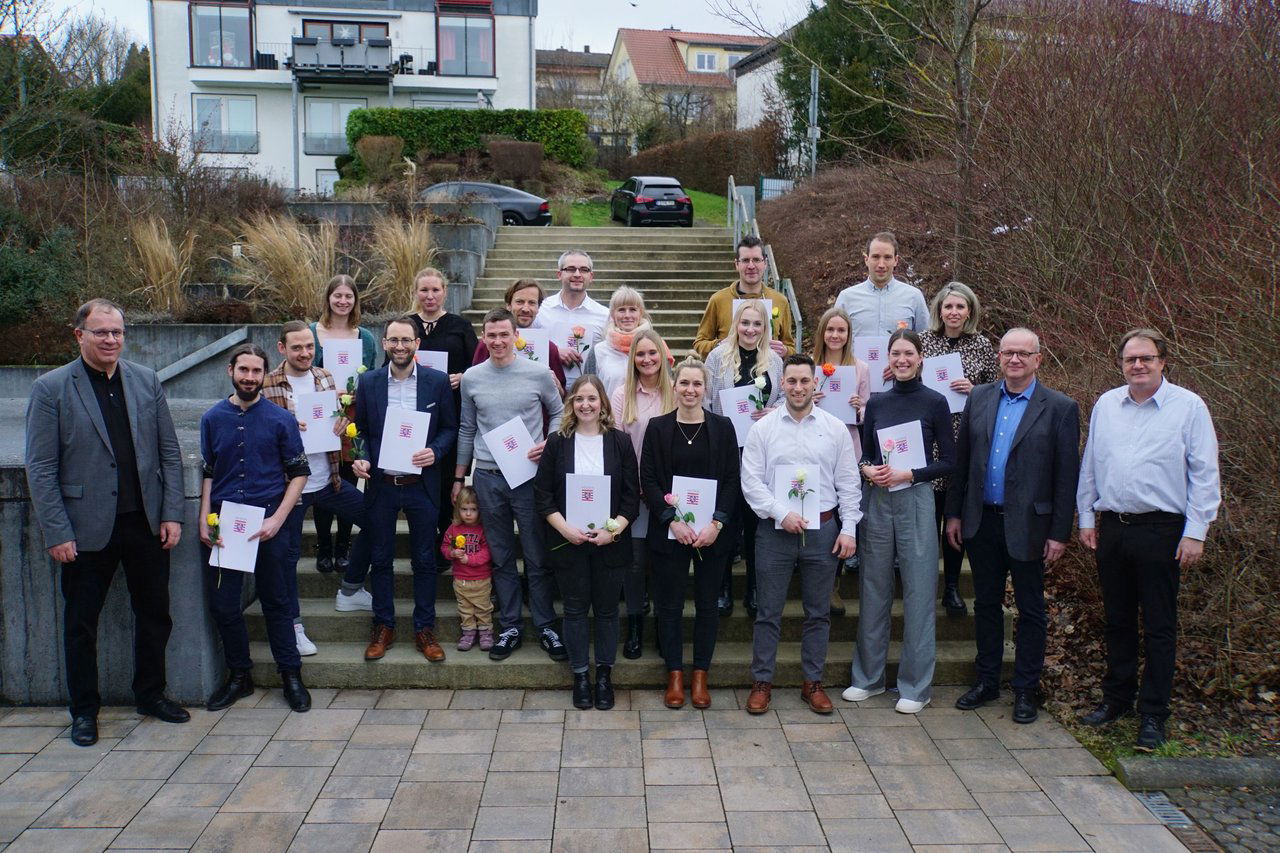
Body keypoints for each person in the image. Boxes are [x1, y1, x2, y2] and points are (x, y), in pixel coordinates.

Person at [25, 299, 189, 747]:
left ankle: (150, 694)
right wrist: (57, 531)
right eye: (101, 332)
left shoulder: (146, 380)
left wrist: (172, 513)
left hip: (144, 524)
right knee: (81, 625)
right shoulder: (51, 388)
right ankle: (84, 711)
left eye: (117, 332)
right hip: (85, 529)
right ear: (79, 335)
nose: (111, 340)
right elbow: (40, 467)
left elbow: (169, 453)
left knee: (155, 615)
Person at [1076, 328, 1220, 751]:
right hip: (1114, 527)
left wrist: (1197, 531)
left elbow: (1205, 473)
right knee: (1117, 620)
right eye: (1130, 359)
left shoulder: (1189, 407)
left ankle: (1153, 714)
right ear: (1121, 364)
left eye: (1146, 358)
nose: (1137, 365)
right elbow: (1091, 464)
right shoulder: (1107, 404)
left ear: (1163, 362)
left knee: (1159, 625)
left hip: (1163, 529)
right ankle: (1116, 699)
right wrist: (1086, 516)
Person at [945, 328, 1079, 724]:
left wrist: (1059, 532)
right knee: (985, 603)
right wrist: (954, 513)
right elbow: (963, 461)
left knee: (1031, 609)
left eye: (1023, 353)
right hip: (981, 520)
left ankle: (1025, 689)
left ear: (1039, 358)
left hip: (1030, 527)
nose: (1015, 359)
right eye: (1008, 352)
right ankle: (987, 680)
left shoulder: (1059, 407)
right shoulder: (980, 397)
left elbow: (1066, 476)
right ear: (999, 357)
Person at [740, 354, 861, 715]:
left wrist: (849, 527)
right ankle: (762, 681)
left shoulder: (834, 427)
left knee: (818, 612)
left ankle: (813, 682)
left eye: (804, 381)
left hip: (823, 529)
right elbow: (751, 482)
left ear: (814, 384)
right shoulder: (763, 428)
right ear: (782, 384)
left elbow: (848, 483)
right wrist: (782, 512)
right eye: (791, 381)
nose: (797, 387)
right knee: (768, 612)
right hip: (775, 531)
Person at [844, 329, 954, 714]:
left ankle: (915, 685)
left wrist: (913, 474)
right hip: (879, 498)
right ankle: (869, 678)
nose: (902, 359)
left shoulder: (935, 402)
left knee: (920, 590)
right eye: (895, 353)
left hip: (917, 498)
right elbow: (868, 455)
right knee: (873, 586)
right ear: (887, 359)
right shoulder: (876, 403)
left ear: (921, 357)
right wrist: (868, 470)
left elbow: (950, 461)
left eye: (909, 353)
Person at [199, 343, 312, 713]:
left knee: (278, 602)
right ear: (230, 371)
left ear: (265, 375)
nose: (250, 377)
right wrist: (204, 516)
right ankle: (239, 675)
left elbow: (299, 473)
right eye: (243, 370)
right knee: (224, 604)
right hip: (227, 523)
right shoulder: (212, 418)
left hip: (270, 520)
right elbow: (209, 471)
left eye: (256, 371)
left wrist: (277, 519)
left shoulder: (281, 420)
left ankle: (291, 675)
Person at [456, 308, 567, 662]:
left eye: (505, 334)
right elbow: (466, 428)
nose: (499, 341)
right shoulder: (473, 378)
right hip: (487, 476)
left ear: (515, 336)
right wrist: (459, 477)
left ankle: (546, 624)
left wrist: (549, 441)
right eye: (492, 335)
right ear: (483, 337)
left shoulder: (538, 374)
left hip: (529, 477)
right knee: (502, 557)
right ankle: (510, 626)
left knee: (536, 555)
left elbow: (562, 413)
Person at [263, 320, 373, 658]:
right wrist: (284, 425)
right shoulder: (267, 385)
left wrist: (341, 426)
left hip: (329, 480)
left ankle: (351, 588)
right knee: (288, 558)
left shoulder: (325, 377)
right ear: (282, 348)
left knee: (376, 520)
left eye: (309, 346)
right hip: (289, 488)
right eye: (297, 347)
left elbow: (336, 424)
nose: (305, 353)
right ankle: (293, 625)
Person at [353, 317, 458, 664]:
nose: (400, 346)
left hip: (421, 485)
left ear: (417, 344)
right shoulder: (367, 383)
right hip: (382, 485)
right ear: (384, 343)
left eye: (406, 340)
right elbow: (363, 431)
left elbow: (449, 427)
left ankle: (423, 628)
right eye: (394, 340)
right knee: (380, 559)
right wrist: (363, 458)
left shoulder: (436, 381)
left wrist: (436, 451)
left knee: (425, 561)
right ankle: (383, 626)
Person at [535, 376, 639, 710]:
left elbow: (630, 499)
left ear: (603, 403)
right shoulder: (557, 442)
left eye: (592, 399)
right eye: (579, 399)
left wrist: (614, 531)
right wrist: (564, 529)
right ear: (571, 404)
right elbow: (543, 495)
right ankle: (581, 675)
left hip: (611, 543)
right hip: (569, 542)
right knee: (576, 610)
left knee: (608, 611)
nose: (586, 405)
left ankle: (604, 676)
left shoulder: (620, 442)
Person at [640, 357, 739, 709]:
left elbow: (731, 480)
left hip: (712, 534)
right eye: (684, 383)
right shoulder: (658, 427)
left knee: (707, 604)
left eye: (697, 384)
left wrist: (716, 524)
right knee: (669, 604)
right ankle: (675, 675)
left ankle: (700, 675)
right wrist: (672, 520)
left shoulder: (723, 427)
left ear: (706, 389)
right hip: (671, 532)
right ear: (675, 385)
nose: (691, 390)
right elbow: (648, 480)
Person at [920, 282, 999, 616]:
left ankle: (951, 586)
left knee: (955, 520)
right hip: (928, 440)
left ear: (970, 311)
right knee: (928, 518)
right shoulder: (923, 341)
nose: (953, 313)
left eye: (960, 307)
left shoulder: (981, 344)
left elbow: (998, 390)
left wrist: (974, 388)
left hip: (964, 438)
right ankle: (922, 586)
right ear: (939, 309)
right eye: (948, 306)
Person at [705, 299, 781, 619]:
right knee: (725, 518)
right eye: (745, 323)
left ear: (765, 329)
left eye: (757, 324)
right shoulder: (717, 357)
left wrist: (772, 412)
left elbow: (784, 402)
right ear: (736, 324)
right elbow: (707, 402)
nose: (750, 329)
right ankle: (723, 587)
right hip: (726, 449)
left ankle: (753, 587)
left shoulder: (775, 361)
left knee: (755, 522)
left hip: (761, 451)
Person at [610, 328, 675, 658]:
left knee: (664, 563)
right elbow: (618, 446)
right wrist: (630, 486)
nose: (647, 359)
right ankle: (635, 624)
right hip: (634, 493)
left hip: (667, 495)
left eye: (653, 353)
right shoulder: (623, 395)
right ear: (632, 358)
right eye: (641, 354)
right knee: (634, 565)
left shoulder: (676, 392)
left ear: (663, 357)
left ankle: (664, 625)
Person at [309, 274, 378, 576]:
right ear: (328, 298)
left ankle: (343, 546)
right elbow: (302, 373)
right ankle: (324, 545)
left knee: (348, 482)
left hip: (353, 416)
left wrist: (356, 394)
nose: (342, 301)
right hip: (320, 416)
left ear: (355, 301)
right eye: (337, 295)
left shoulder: (366, 337)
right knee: (324, 482)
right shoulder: (312, 333)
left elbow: (373, 379)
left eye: (348, 296)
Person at [406, 268, 479, 542]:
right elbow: (390, 364)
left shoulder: (460, 326)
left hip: (451, 413)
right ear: (416, 292)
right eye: (424, 290)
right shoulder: (407, 325)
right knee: (419, 478)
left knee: (448, 476)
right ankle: (422, 537)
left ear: (445, 292)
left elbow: (478, 365)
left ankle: (445, 537)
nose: (429, 295)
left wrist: (464, 376)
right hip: (415, 415)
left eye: (435, 290)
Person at [810, 306, 872, 615]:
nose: (835, 335)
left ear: (849, 336)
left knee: (842, 512)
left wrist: (860, 407)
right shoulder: (809, 365)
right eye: (830, 330)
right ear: (822, 333)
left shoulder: (860, 368)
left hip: (847, 446)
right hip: (812, 448)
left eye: (841, 331)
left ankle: (834, 583)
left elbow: (868, 416)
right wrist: (809, 400)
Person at [692, 235, 795, 358]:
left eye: (756, 260)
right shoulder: (718, 300)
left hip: (769, 373)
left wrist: (785, 351)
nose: (751, 266)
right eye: (745, 260)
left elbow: (791, 347)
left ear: (765, 263)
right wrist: (719, 345)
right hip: (728, 373)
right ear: (736, 264)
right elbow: (699, 344)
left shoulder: (780, 301)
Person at [472, 279, 567, 392]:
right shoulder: (489, 344)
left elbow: (561, 396)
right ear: (508, 305)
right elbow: (474, 385)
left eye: (532, 303)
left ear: (538, 307)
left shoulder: (549, 347)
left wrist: (557, 386)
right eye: (520, 302)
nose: (526, 309)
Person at [833, 231, 929, 338]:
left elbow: (926, 341)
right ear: (866, 259)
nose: (881, 264)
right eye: (876, 257)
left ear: (896, 260)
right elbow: (835, 340)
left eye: (887, 257)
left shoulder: (914, 297)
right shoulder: (846, 298)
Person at [534, 249, 609, 382]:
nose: (577, 274)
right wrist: (555, 352)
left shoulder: (604, 315)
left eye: (584, 270)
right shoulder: (540, 309)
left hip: (587, 393)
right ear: (559, 274)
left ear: (591, 276)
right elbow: (526, 344)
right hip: (545, 387)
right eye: (570, 269)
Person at [440, 486, 494, 652]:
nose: (468, 514)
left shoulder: (483, 529)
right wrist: (452, 552)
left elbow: (487, 552)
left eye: (473, 509)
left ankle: (485, 633)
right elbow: (444, 547)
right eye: (464, 509)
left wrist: (470, 559)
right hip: (461, 579)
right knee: (465, 609)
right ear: (458, 510)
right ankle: (468, 633)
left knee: (483, 608)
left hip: (481, 578)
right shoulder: (454, 529)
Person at [582, 286, 654, 397]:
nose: (627, 315)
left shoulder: (656, 348)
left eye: (633, 309)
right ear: (612, 315)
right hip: (611, 413)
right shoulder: (598, 351)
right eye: (621, 310)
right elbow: (587, 391)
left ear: (641, 313)